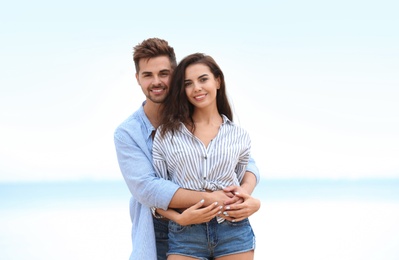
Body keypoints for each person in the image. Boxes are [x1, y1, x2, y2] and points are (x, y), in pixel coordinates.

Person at [114, 38, 260, 260]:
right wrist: (206, 202)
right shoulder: (128, 133)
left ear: (175, 75)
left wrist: (247, 197)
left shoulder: (204, 119)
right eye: (147, 75)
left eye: (164, 73)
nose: (156, 81)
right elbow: (147, 188)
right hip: (158, 229)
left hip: (223, 227)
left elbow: (245, 162)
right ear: (138, 79)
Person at [152, 53, 258, 260]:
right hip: (185, 234)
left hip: (233, 231)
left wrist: (251, 201)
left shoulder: (239, 135)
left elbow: (240, 182)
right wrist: (179, 218)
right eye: (188, 83)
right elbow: (156, 192)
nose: (197, 88)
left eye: (203, 79)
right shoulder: (166, 134)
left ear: (217, 81)